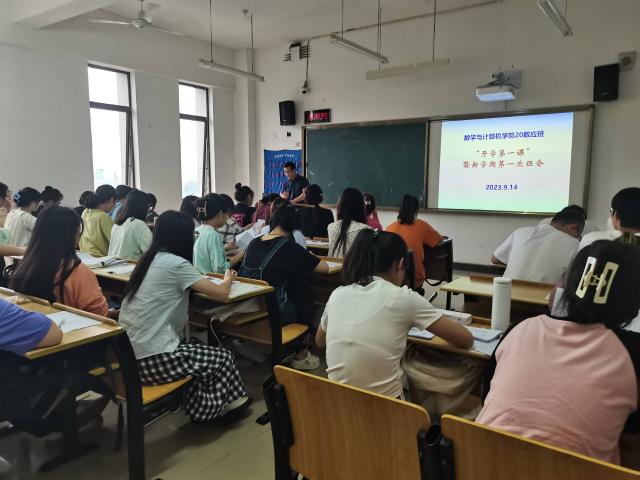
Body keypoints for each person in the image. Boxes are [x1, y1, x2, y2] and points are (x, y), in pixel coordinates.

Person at [477, 240, 640, 464]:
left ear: (567, 284)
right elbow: (631, 445)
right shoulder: (632, 353)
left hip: (480, 465)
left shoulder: (520, 328)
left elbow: (486, 399)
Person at [118, 211, 250, 423]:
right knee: (223, 358)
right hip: (152, 359)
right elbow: (222, 294)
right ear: (182, 237)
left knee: (196, 345)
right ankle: (207, 413)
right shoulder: (176, 264)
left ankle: (227, 401)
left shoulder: (148, 260)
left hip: (128, 356)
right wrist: (228, 277)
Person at [316, 230, 473, 397]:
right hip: (388, 409)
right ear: (400, 264)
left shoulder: (338, 294)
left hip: (336, 405)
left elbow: (320, 341)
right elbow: (466, 340)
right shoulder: (403, 297)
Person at [240, 206, 329, 370]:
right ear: (293, 226)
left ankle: (257, 345)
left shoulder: (254, 243)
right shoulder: (289, 247)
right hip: (275, 310)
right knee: (304, 299)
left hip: (248, 307)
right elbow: (324, 268)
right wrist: (310, 256)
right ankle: (299, 354)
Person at [11, 207, 112, 317]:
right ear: (73, 235)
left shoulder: (26, 264)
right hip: (71, 326)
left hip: (32, 324)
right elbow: (100, 314)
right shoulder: (76, 271)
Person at [491, 209, 584, 284]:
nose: (578, 238)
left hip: (504, 294)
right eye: (578, 235)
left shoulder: (521, 231)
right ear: (572, 227)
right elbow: (571, 282)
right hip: (540, 299)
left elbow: (495, 260)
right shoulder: (575, 244)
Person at [386, 194, 442, 290]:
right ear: (416, 210)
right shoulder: (421, 225)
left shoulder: (389, 228)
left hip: (392, 279)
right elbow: (439, 240)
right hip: (414, 277)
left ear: (400, 208)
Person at [193, 194, 244, 274]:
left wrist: (224, 248)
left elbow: (205, 255)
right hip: (212, 280)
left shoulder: (197, 230)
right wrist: (239, 256)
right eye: (227, 214)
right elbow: (220, 269)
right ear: (220, 214)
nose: (227, 218)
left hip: (200, 278)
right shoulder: (213, 235)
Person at [109, 190, 153, 261]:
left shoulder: (117, 224)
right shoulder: (138, 224)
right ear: (144, 207)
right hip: (131, 266)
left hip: (113, 265)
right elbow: (151, 251)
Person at [327, 188, 371, 257]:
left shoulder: (331, 227)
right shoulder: (365, 229)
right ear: (361, 207)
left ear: (340, 206)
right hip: (354, 264)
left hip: (333, 263)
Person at [80, 185, 116, 257]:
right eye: (115, 202)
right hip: (99, 258)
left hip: (84, 256)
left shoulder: (85, 212)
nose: (115, 206)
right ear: (112, 199)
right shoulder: (102, 216)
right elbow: (115, 241)